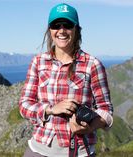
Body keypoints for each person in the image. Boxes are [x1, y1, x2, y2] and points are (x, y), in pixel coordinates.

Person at [19, 3, 113, 157]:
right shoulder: (38, 62)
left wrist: (89, 128)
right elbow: (24, 105)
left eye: (67, 25)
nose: (61, 30)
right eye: (56, 25)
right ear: (50, 30)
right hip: (39, 149)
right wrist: (50, 109)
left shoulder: (93, 65)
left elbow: (106, 111)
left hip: (79, 151)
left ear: (76, 29)